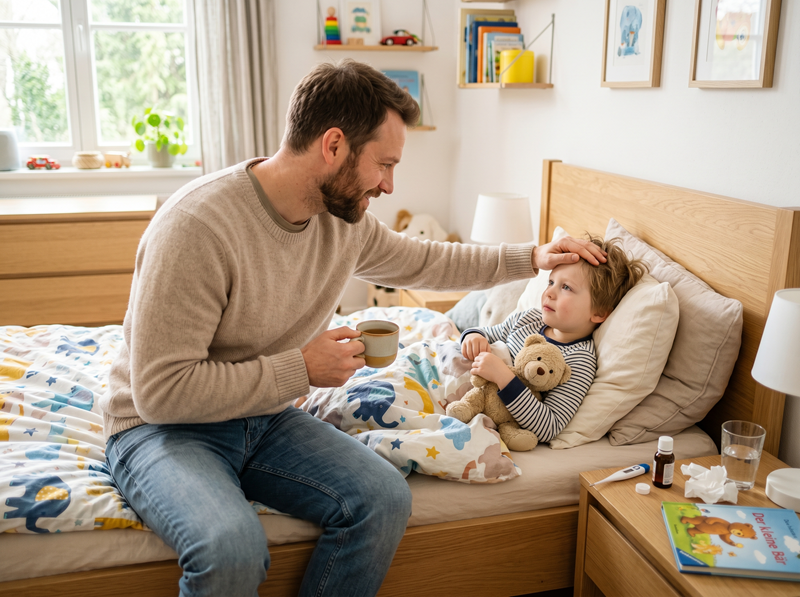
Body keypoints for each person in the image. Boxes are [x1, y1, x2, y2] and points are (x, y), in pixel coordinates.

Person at [99, 59, 606, 597]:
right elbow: (160, 393)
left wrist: (532, 257)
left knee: (383, 499)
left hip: (261, 418)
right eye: (383, 164)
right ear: (334, 145)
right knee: (232, 549)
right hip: (160, 430)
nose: (390, 185)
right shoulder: (197, 228)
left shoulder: (342, 222)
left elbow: (428, 262)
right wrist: (301, 368)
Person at [461, 235, 646, 443]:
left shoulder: (578, 360)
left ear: (600, 313)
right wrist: (473, 336)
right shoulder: (529, 318)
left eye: (566, 287)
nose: (549, 293)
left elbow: (549, 426)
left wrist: (503, 377)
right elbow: (487, 333)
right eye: (551, 282)